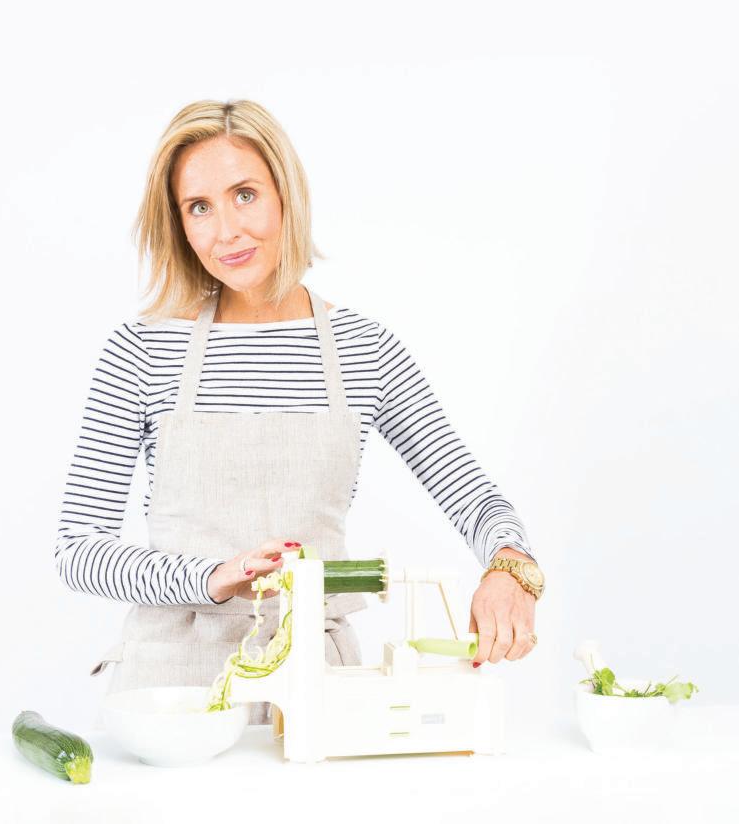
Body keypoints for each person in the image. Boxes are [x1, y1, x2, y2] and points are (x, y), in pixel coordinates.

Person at [55, 99, 545, 726]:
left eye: (245, 195)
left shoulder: (365, 349)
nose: (226, 230)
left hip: (318, 686)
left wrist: (512, 566)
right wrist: (213, 577)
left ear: (287, 194)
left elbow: (472, 496)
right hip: (173, 694)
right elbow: (79, 550)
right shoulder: (144, 349)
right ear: (178, 224)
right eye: (198, 207)